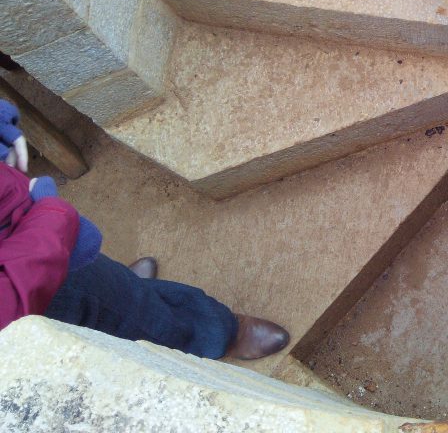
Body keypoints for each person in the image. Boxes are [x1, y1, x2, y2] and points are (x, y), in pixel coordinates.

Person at [0, 100, 289, 361]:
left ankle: (126, 289)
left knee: (99, 277)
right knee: (99, 304)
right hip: (23, 262)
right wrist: (50, 218)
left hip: (20, 225)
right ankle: (210, 333)